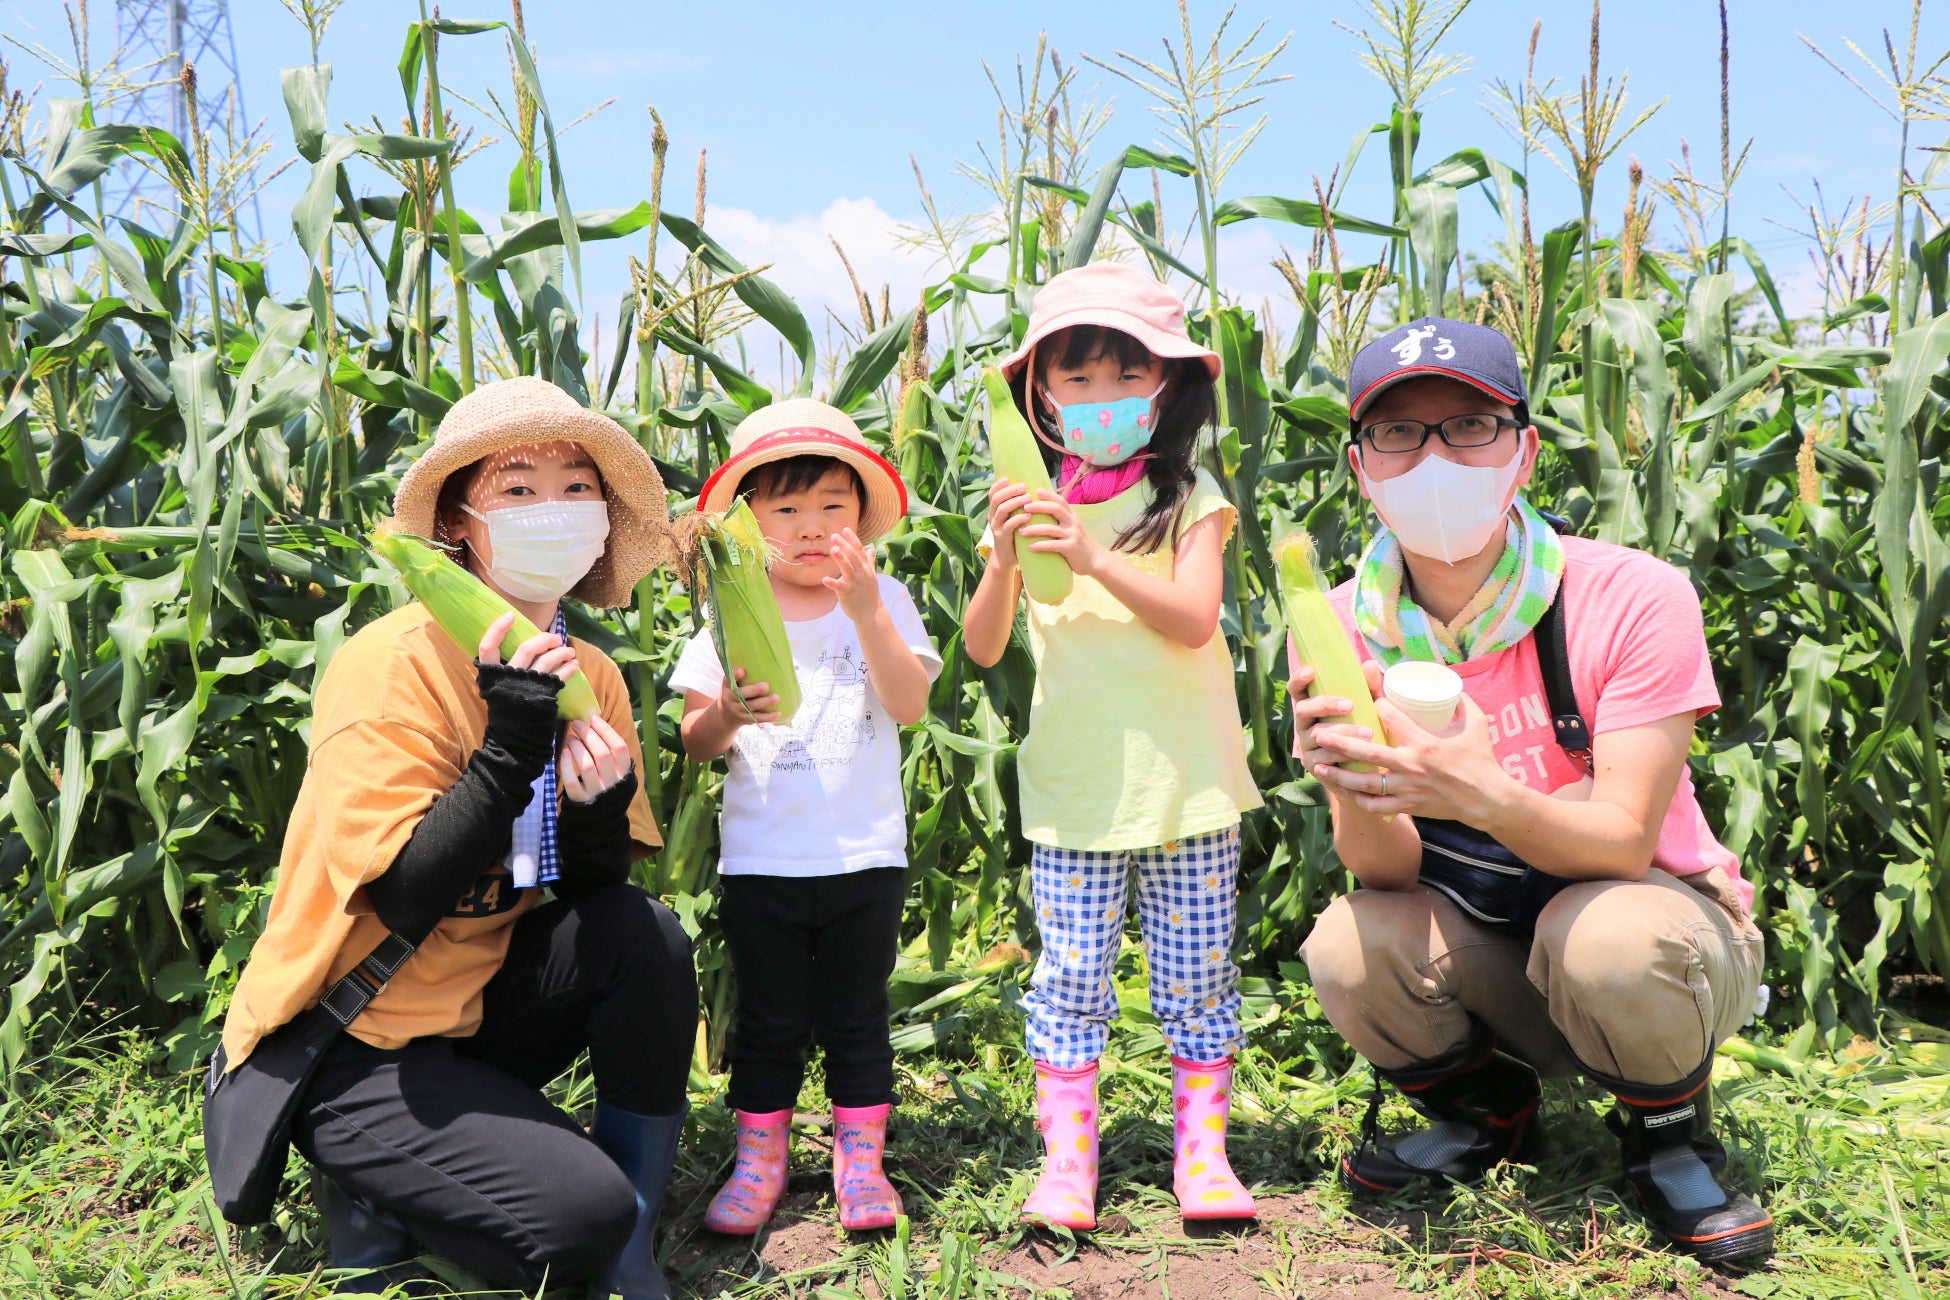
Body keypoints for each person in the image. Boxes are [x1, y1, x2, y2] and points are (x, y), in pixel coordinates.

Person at [1291, 318, 1773, 1266]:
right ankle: (1490, 1114)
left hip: (1652, 933)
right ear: (1361, 467)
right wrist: (1351, 785)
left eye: (1468, 425)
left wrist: (1478, 790)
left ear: (1524, 450)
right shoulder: (1339, 622)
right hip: (1492, 940)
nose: (1433, 456)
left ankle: (1668, 1140)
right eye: (1399, 431)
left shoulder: (1632, 595)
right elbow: (1384, 874)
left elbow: (1625, 843)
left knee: (1606, 934)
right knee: (1349, 942)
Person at [218, 377, 698, 1298]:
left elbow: (592, 890)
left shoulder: (590, 671)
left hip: (473, 1011)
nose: (553, 509)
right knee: (574, 1221)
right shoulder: (391, 665)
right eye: (518, 490)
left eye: (578, 486)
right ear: (460, 522)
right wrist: (511, 741)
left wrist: (596, 808)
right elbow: (403, 892)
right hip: (353, 1041)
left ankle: (627, 1240)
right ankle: (368, 1182)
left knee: (647, 936)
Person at [963, 261, 1264, 1230]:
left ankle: (1205, 1157)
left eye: (1124, 376)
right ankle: (1067, 1161)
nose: (1099, 398)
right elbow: (982, 645)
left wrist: (1091, 551)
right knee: (1073, 975)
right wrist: (1007, 556)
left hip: (1187, 782)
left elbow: (1191, 618)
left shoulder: (1191, 498)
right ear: (1040, 393)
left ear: (1165, 387)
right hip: (1078, 785)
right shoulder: (1025, 502)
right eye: (1076, 379)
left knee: (1194, 974)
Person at [670, 400, 942, 1235]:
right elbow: (693, 742)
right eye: (785, 509)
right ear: (748, 523)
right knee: (771, 1020)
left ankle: (861, 1166)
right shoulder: (728, 605)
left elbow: (911, 702)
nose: (812, 526)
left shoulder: (884, 597)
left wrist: (865, 613)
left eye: (833, 505)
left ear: (862, 516)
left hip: (865, 857)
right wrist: (726, 711)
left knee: (858, 1015)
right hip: (764, 863)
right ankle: (762, 1163)